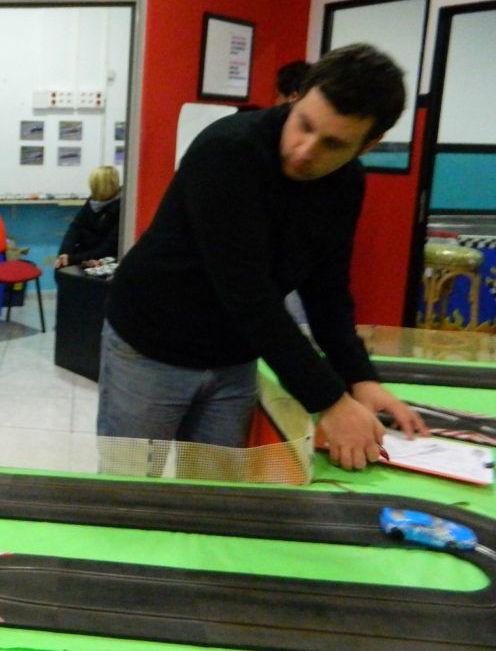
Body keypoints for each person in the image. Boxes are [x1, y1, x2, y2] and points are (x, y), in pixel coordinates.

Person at [98, 44, 427, 470]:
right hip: (151, 346)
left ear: (368, 145)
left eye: (333, 143)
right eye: (304, 124)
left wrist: (360, 378)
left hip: (234, 356)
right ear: (296, 98)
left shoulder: (346, 184)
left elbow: (327, 290)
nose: (305, 150)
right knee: (129, 485)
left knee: (218, 490)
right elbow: (246, 291)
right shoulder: (229, 150)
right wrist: (330, 401)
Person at [54, 166, 121, 269]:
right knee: (61, 265)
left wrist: (72, 259)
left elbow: (108, 248)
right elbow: (75, 228)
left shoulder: (121, 208)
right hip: (84, 253)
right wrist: (64, 253)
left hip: (103, 258)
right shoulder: (93, 201)